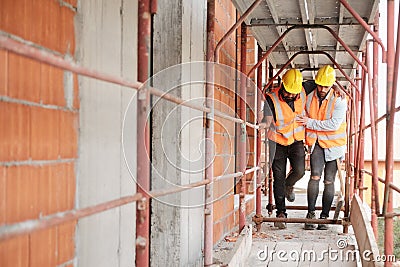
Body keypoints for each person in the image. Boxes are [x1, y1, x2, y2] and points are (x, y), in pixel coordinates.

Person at [296, 65, 347, 230]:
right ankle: (311, 215)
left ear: (332, 84)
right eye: (320, 85)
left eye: (326, 86)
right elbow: (302, 113)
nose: (322, 89)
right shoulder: (309, 96)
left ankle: (324, 217)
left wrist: (310, 122)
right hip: (317, 142)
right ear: (316, 83)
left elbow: (333, 124)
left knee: (329, 180)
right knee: (315, 176)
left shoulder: (339, 99)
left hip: (334, 145)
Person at [261, 69, 306, 229]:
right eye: (287, 92)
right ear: (282, 85)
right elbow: (267, 120)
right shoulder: (271, 98)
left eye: (293, 93)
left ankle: (289, 185)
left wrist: (335, 88)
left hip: (296, 141)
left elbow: (321, 86)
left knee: (300, 171)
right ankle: (281, 213)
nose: (290, 95)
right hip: (277, 142)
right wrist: (263, 125)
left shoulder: (303, 89)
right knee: (277, 178)